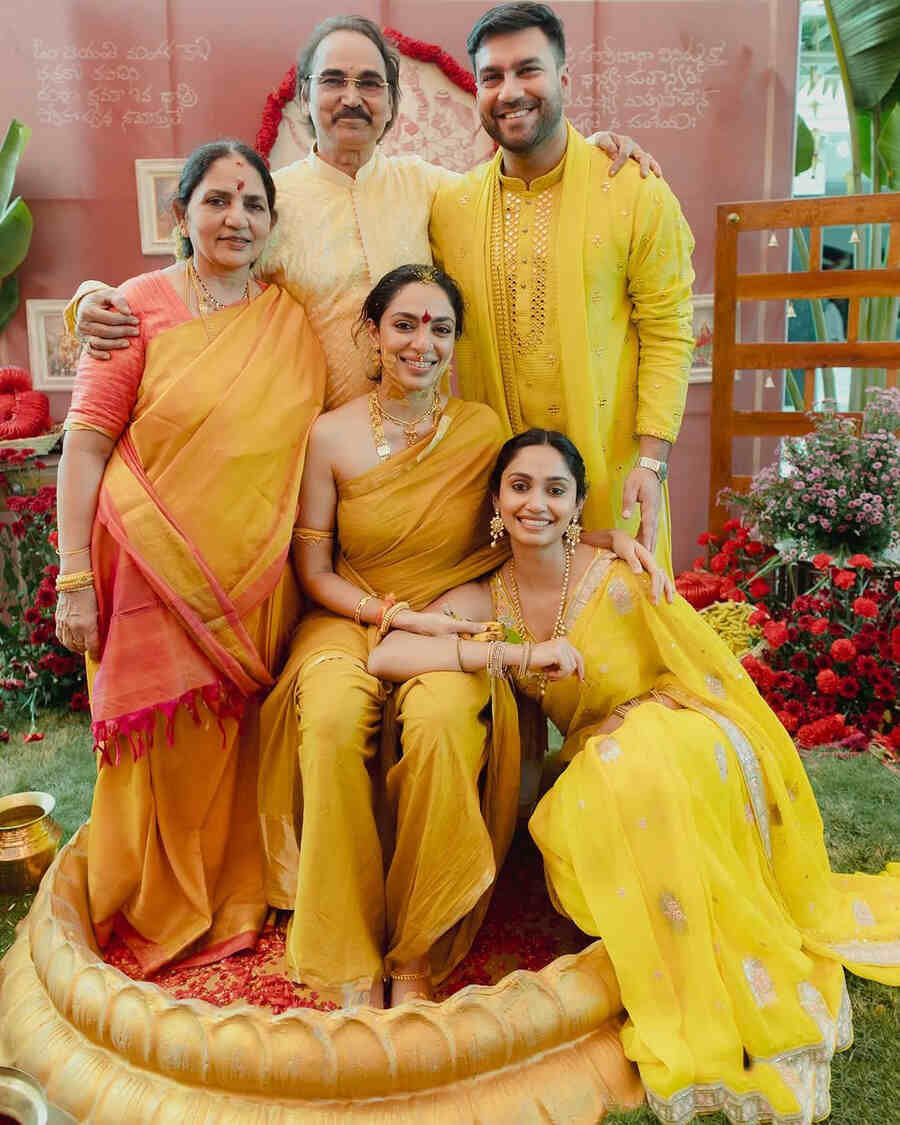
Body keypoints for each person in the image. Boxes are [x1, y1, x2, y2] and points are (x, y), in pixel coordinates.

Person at [367, 429, 900, 1124]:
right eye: (520, 487)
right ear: (496, 500)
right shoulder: (486, 598)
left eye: (555, 490)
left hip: (682, 724)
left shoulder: (618, 571)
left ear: (578, 504)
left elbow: (699, 667)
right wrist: (502, 658)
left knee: (637, 762)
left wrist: (652, 712)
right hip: (598, 751)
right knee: (582, 802)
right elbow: (388, 655)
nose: (536, 504)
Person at [257, 265, 669, 1008]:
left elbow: (532, 507)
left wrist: (606, 538)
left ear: (455, 342)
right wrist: (388, 614)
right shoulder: (331, 434)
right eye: (405, 324)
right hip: (351, 615)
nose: (422, 343)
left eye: (440, 328)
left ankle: (419, 942)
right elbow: (313, 569)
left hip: (456, 613)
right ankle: (348, 949)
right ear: (373, 334)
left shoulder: (478, 429)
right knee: (328, 718)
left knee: (445, 718)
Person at [69, 16, 661, 413]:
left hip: (422, 444)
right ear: (305, 97)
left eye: (370, 84)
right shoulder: (268, 203)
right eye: (333, 81)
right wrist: (90, 299)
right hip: (305, 453)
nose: (352, 97)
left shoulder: (432, 189)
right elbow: (189, 282)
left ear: (392, 105)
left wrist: (592, 148)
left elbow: (522, 192)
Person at [54, 140, 326, 976]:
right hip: (149, 571)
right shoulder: (134, 307)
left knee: (234, 749)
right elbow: (84, 448)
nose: (235, 218)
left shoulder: (288, 321)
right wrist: (72, 577)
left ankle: (231, 897)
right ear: (182, 215)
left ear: (272, 222)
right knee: (162, 754)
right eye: (216, 200)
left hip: (253, 579)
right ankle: (156, 904)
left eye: (252, 204)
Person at [429, 2, 696, 567]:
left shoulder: (634, 191)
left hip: (610, 479)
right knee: (508, 650)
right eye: (491, 77)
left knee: (612, 643)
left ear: (564, 80)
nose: (509, 91)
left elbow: (670, 333)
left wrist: (651, 463)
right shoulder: (448, 207)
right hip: (499, 495)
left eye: (529, 70)